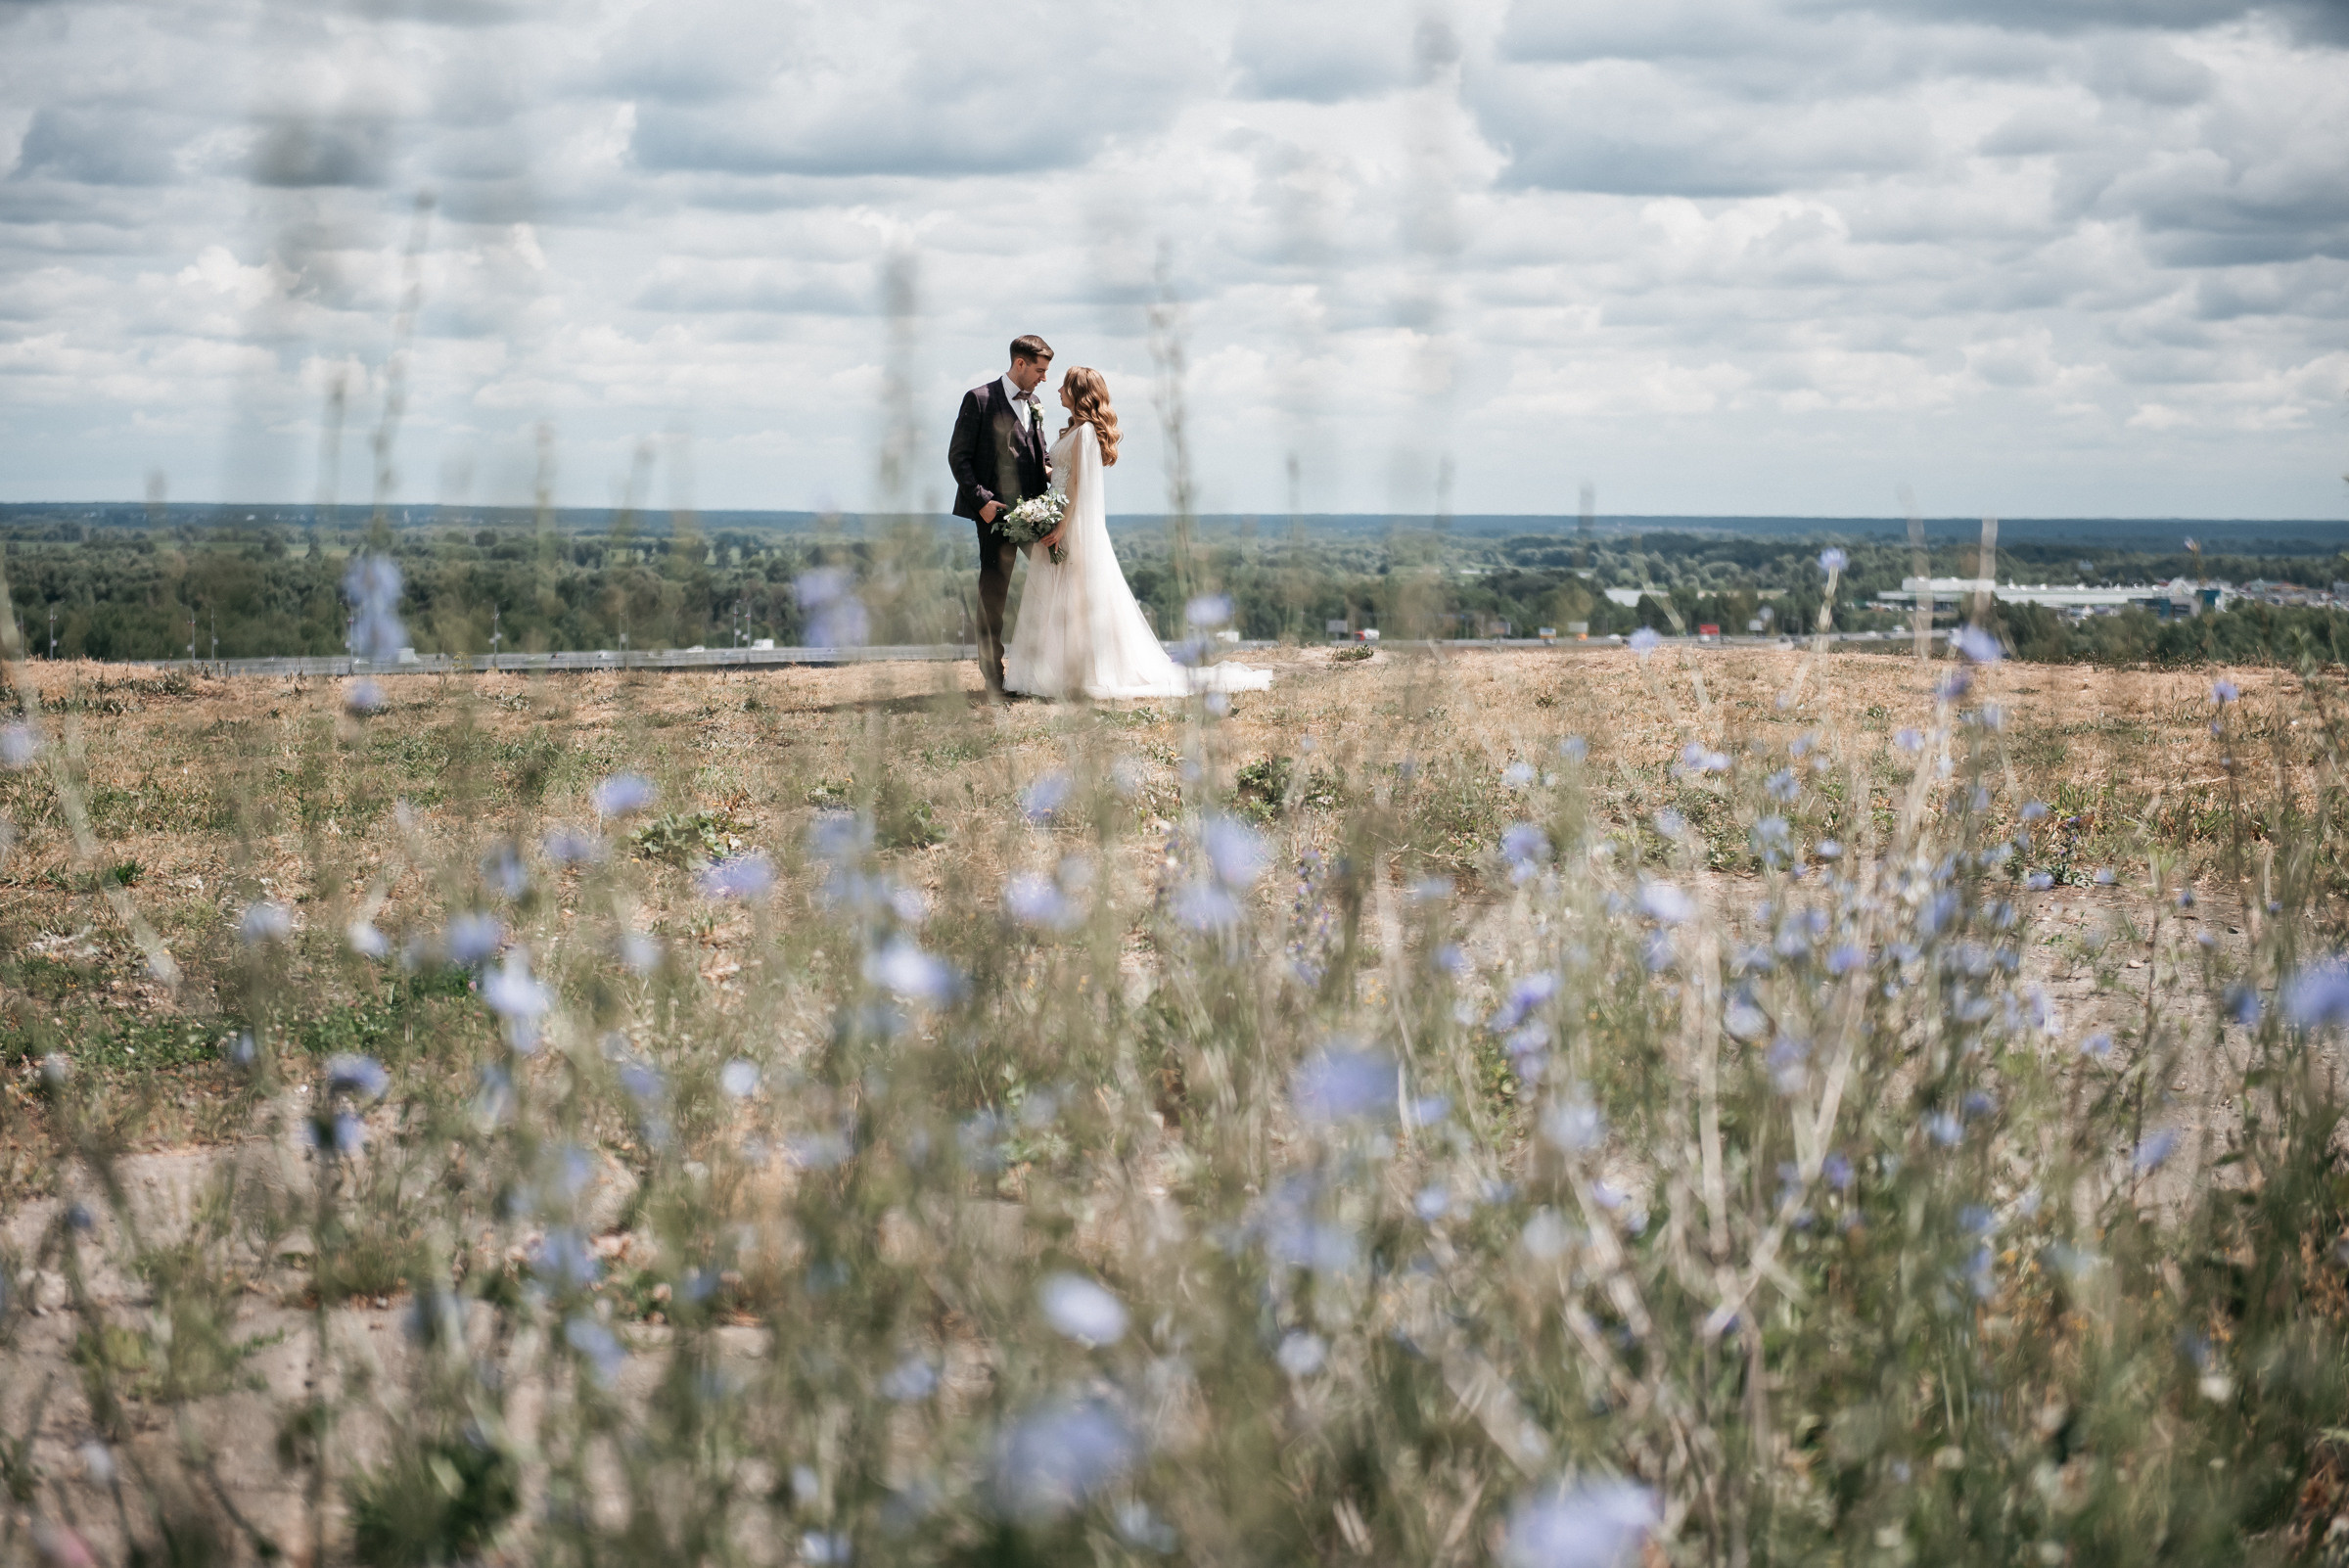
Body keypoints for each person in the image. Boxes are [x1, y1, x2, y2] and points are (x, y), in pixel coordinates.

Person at [1002, 366, 1271, 701]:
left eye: (1064, 385)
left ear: (1078, 392)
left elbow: (1076, 483)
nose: (1057, 390)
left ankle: (1081, 672)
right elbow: (1060, 474)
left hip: (1068, 525)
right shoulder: (1075, 430)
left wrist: (1060, 526)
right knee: (1057, 600)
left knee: (1074, 598)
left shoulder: (1085, 432)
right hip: (1058, 518)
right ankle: (1053, 671)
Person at [947, 334, 1054, 702]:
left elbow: (1036, 455)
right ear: (1020, 364)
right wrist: (982, 503)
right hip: (996, 516)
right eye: (1040, 370)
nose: (1044, 378)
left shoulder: (1036, 403)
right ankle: (994, 678)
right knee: (993, 595)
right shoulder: (978, 399)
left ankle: (1051, 669)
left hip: (1036, 514)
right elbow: (958, 457)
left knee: (1055, 582)